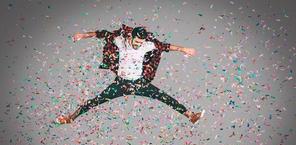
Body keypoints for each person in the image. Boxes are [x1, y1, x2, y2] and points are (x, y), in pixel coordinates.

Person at [56, 24, 205, 124]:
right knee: (95, 100)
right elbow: (102, 34)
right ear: (131, 37)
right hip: (121, 84)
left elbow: (165, 46)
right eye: (137, 41)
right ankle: (70, 118)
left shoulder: (146, 45)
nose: (138, 44)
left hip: (140, 83)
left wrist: (184, 49)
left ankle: (191, 116)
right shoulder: (120, 41)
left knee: (164, 97)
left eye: (141, 42)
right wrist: (83, 35)